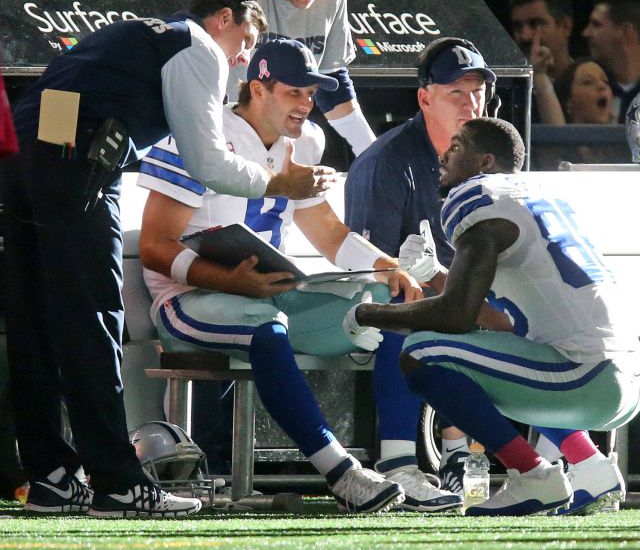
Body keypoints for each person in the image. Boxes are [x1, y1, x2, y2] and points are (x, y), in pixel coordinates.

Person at [1, 0, 333, 518]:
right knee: (92, 320)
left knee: (34, 322)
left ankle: (51, 475)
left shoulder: (132, 36)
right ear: (223, 18)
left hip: (22, 159)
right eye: (246, 40)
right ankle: (117, 480)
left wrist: (50, 163)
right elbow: (208, 165)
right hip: (76, 163)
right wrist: (279, 184)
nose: (244, 58)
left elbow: (55, 99)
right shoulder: (196, 47)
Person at [138, 38, 463, 513]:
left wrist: (387, 265)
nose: (308, 104)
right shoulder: (201, 138)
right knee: (265, 327)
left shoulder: (306, 141)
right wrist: (234, 281)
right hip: (189, 299)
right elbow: (153, 247)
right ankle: (340, 471)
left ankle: (400, 466)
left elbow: (328, 233)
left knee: (394, 302)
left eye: (312, 93)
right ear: (258, 88)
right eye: (295, 92)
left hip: (272, 290)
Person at [345, 117, 640, 516]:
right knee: (494, 357)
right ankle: (590, 467)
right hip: (629, 377)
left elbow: (457, 316)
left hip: (586, 376)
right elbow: (501, 326)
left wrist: (368, 313)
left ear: (485, 162)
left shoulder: (476, 195)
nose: (444, 155)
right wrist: (436, 276)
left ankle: (533, 477)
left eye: (456, 147)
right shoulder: (538, 195)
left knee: (423, 351)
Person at [344, 37, 503, 496]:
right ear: (425, 97)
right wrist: (441, 284)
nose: (472, 103)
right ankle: (399, 464)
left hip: (461, 296)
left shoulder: (490, 156)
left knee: (527, 309)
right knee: (405, 300)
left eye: (478, 91)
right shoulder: (387, 161)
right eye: (457, 91)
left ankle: (515, 460)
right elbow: (378, 269)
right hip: (389, 302)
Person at [196, 0, 376, 159]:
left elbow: (331, 80)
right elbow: (195, 64)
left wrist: (373, 157)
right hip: (218, 129)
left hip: (279, 136)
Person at [509, 0, 574, 83]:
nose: (525, 36)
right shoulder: (506, 89)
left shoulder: (590, 83)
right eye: (518, 26)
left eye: (535, 24)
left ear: (566, 27)